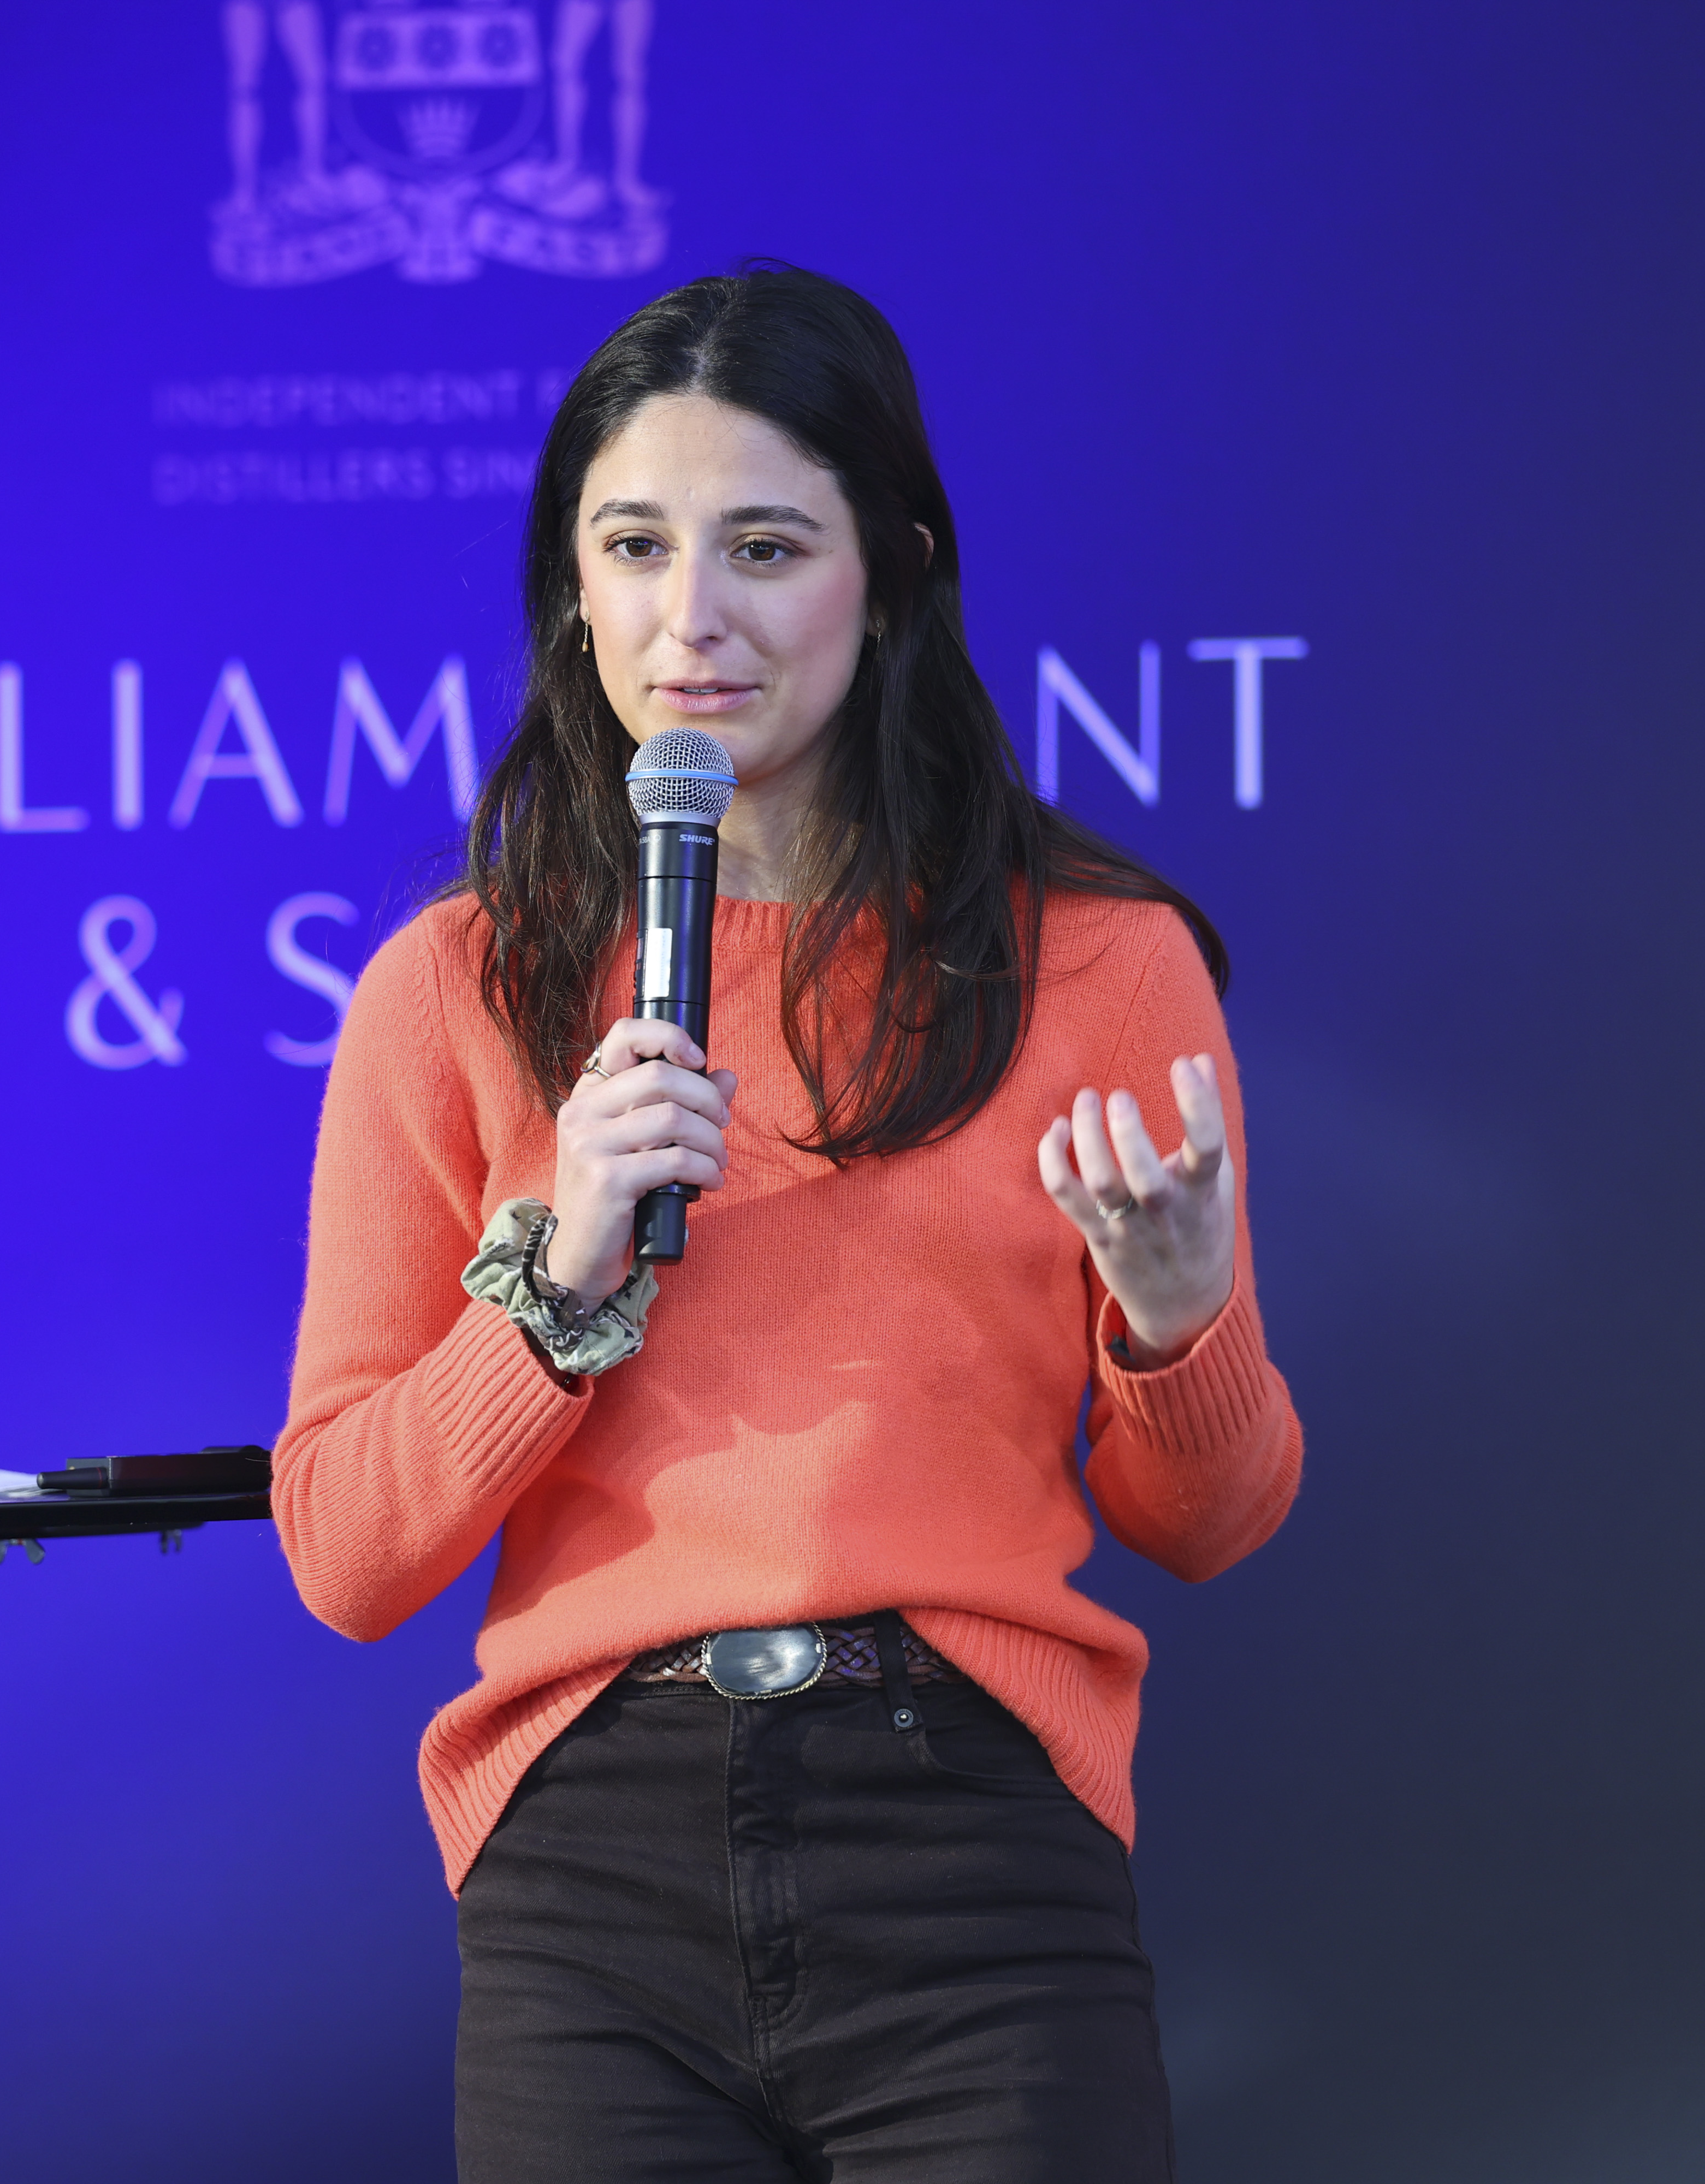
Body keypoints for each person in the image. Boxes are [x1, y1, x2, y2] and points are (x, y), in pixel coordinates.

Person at [273, 264, 1301, 2183]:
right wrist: (559, 1276)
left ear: (893, 575)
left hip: (971, 1850)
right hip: (594, 1864)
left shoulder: (1101, 964)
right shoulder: (454, 991)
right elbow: (344, 1553)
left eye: (765, 547)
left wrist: (1180, 1325)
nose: (694, 618)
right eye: (635, 547)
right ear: (570, 594)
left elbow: (1216, 1519)